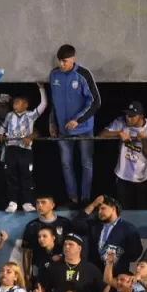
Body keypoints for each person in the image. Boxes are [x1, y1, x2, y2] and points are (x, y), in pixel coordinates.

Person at [48, 44, 101, 206]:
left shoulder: (83, 75)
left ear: (73, 59)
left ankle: (85, 198)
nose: (61, 64)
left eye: (64, 61)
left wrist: (78, 120)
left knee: (86, 163)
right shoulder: (54, 75)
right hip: (64, 131)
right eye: (59, 61)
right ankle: (73, 197)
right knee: (66, 164)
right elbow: (54, 102)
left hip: (84, 128)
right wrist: (52, 122)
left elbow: (96, 102)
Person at [0, 82, 48, 212]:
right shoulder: (9, 116)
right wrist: (0, 134)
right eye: (14, 102)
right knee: (11, 175)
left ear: (25, 104)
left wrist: (41, 88)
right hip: (11, 148)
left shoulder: (31, 115)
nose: (15, 104)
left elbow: (43, 105)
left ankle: (27, 202)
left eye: (18, 102)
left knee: (26, 175)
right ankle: (12, 202)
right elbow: (3, 126)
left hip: (25, 150)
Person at [100, 101, 147, 209]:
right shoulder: (121, 122)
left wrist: (144, 141)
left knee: (142, 211)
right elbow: (101, 135)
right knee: (124, 210)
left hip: (142, 178)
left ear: (141, 116)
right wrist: (118, 133)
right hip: (123, 177)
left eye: (131, 116)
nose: (128, 118)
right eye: (126, 114)